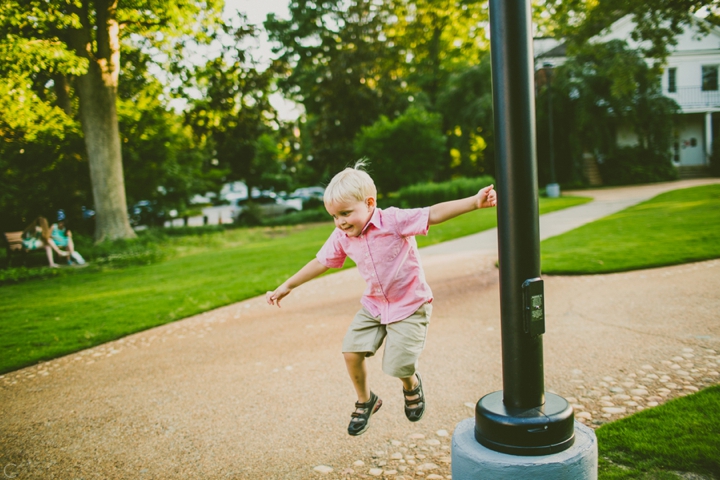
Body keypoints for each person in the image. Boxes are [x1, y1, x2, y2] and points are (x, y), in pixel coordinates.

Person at [266, 161, 497, 436]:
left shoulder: (393, 220)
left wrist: (474, 201)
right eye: (334, 216)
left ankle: (410, 384)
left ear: (369, 203)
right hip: (375, 305)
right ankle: (366, 400)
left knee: (397, 364)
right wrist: (288, 285)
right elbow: (321, 262)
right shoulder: (341, 236)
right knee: (351, 352)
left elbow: (432, 214)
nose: (340, 222)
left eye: (345, 213)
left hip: (410, 304)